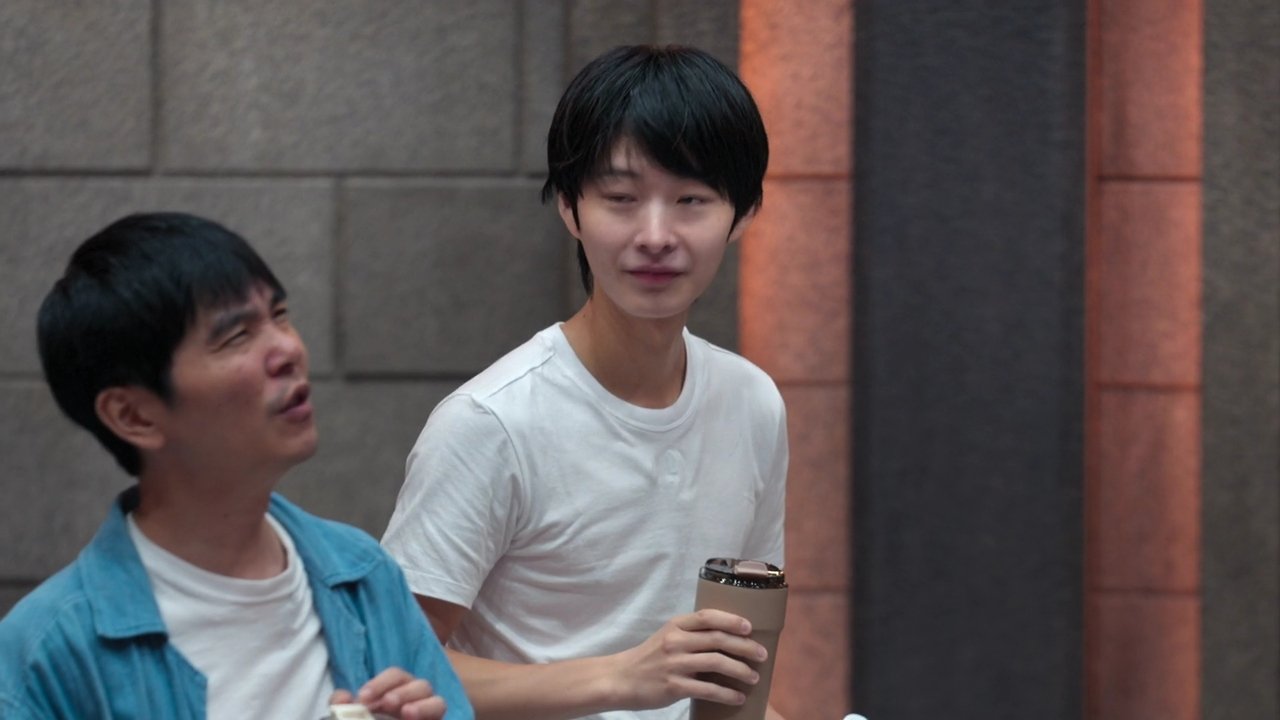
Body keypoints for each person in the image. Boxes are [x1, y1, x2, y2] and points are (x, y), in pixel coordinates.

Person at [381, 45, 788, 720]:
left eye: (691, 200)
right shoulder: (491, 422)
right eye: (621, 199)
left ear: (743, 214)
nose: (655, 235)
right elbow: (393, 666)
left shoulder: (753, 404)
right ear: (570, 208)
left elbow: (734, 670)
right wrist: (621, 679)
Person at [0, 212, 473, 720]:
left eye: (280, 315)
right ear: (133, 415)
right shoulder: (46, 655)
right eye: (235, 337)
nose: (289, 349)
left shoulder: (364, 577)